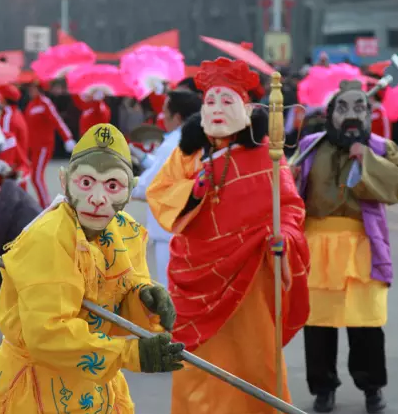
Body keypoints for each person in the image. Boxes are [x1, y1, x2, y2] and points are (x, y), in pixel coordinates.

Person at [0, 123, 184, 413]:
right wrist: (130, 354)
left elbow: (121, 295)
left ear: (130, 190)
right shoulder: (48, 238)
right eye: (86, 183)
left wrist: (145, 301)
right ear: (64, 182)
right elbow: (48, 333)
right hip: (40, 390)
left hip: (96, 389)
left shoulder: (124, 228)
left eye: (112, 185)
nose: (99, 198)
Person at [146, 57, 310, 414]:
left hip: (249, 274)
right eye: (212, 101)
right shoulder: (187, 152)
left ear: (247, 108)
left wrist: (286, 238)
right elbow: (161, 192)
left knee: (254, 362)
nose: (218, 109)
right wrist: (194, 189)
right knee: (197, 370)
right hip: (194, 276)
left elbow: (291, 208)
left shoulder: (268, 155)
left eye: (227, 100)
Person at [294, 81, 398, 413]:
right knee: (318, 324)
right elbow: (289, 191)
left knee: (366, 323)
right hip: (317, 246)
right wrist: (288, 176)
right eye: (343, 108)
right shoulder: (309, 146)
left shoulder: (382, 147)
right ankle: (323, 388)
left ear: (369, 114)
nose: (352, 116)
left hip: (363, 246)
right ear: (329, 114)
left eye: (359, 109)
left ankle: (371, 386)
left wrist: (369, 161)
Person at [130, 89, 202, 287]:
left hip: (168, 229)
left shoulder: (173, 143)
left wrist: (119, 186)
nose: (162, 117)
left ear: (177, 117)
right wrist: (143, 158)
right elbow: (165, 171)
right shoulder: (197, 138)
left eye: (165, 112)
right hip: (187, 228)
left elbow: (150, 186)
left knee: (171, 292)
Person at [24, 80, 75, 208]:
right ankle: (45, 203)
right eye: (29, 88)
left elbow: (57, 119)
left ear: (39, 88)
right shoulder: (30, 104)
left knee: (36, 176)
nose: (30, 91)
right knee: (34, 177)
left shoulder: (45, 102)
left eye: (33, 88)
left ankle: (46, 205)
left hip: (44, 146)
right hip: (34, 147)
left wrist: (67, 138)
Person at [0, 83, 29, 158]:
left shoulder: (7, 117)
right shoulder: (15, 112)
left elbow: (5, 146)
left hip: (11, 164)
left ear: (3, 99)